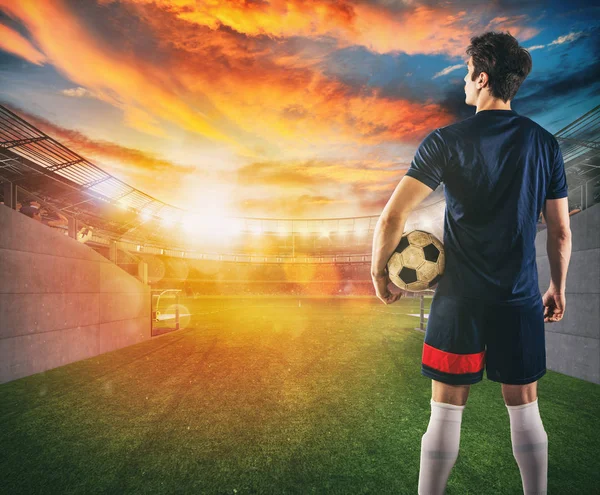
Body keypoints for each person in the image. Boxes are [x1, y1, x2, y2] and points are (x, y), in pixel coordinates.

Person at [370, 31, 571, 495]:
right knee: (526, 412)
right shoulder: (544, 144)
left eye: (466, 73)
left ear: (482, 78)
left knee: (443, 414)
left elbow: (392, 217)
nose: (463, 80)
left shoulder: (445, 141)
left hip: (458, 300)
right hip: (519, 298)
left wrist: (379, 272)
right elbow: (560, 231)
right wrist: (557, 287)